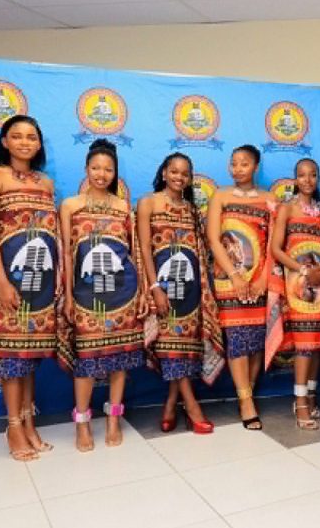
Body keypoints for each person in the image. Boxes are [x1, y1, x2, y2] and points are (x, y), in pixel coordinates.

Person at [0, 115, 59, 461]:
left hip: (40, 281)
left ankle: (28, 422)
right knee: (11, 356)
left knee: (30, 355)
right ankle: (13, 427)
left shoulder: (46, 183)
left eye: (31, 137)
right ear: (5, 141)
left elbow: (51, 234)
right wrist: (1, 280)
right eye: (17, 136)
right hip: (6, 279)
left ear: (39, 144)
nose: (25, 142)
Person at [57, 139, 145, 451]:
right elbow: (66, 254)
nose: (101, 174)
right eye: (95, 168)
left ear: (115, 173)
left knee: (120, 359)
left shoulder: (123, 207)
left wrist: (142, 291)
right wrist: (68, 296)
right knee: (86, 361)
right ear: (86, 169)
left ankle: (113, 418)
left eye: (108, 169)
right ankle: (82, 422)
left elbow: (134, 253)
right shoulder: (70, 206)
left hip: (123, 293)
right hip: (84, 293)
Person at [136, 153, 223, 434]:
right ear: (164, 173)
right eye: (174, 171)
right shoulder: (148, 203)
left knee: (184, 352)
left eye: (185, 173)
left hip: (190, 292)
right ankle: (193, 407)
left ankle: (171, 405)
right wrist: (154, 289)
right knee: (170, 350)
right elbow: (143, 249)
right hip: (162, 290)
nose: (179, 177)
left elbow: (200, 254)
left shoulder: (192, 210)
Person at [207, 145, 277, 430]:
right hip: (229, 280)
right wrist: (235, 276)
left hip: (260, 280)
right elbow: (214, 238)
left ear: (256, 167)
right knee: (237, 340)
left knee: (256, 341)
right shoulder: (220, 196)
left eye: (244, 164)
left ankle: (248, 391)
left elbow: (274, 244)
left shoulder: (270, 199)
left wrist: (264, 279)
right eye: (234, 163)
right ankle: (246, 401)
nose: (238, 169)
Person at [268, 158, 320, 430]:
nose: (307, 180)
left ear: (318, 179)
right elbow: (276, 249)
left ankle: (312, 396)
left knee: (317, 344)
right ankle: (301, 402)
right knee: (304, 344)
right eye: (302, 175)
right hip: (298, 285)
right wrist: (303, 270)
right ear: (295, 179)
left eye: (312, 175)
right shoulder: (287, 209)